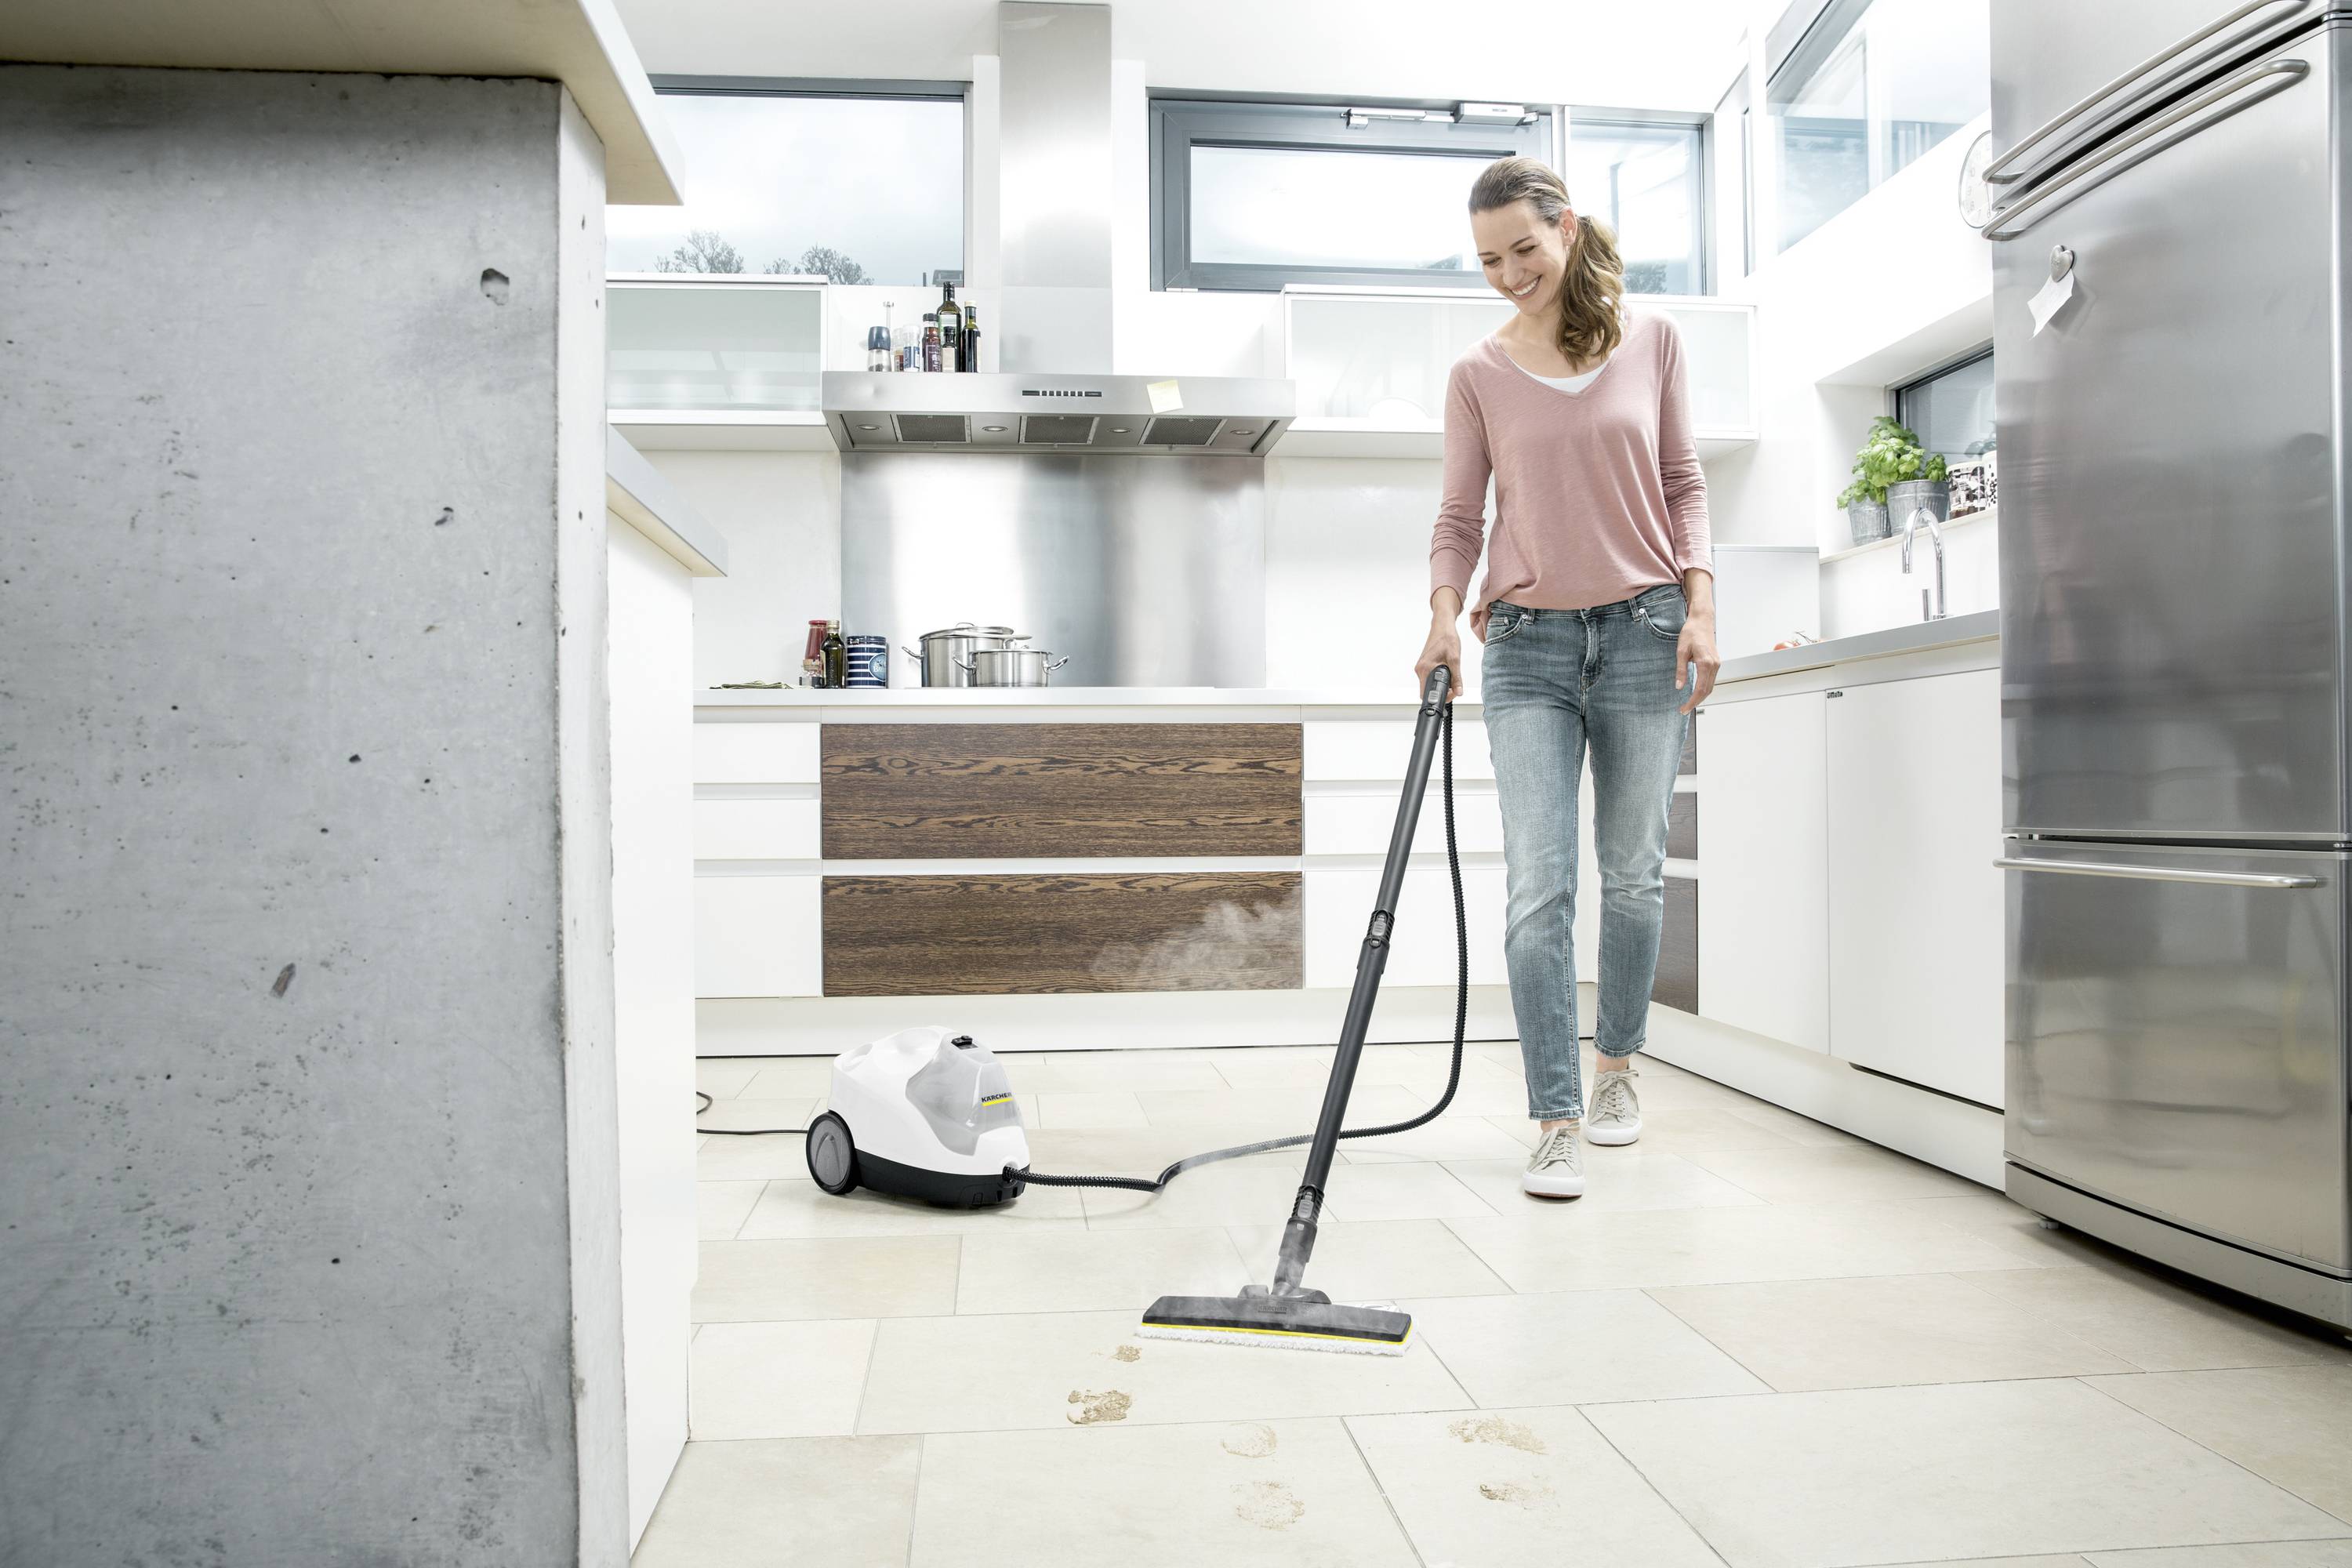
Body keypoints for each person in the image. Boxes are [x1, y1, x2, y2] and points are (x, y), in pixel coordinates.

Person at [1416, 156, 1719, 1200]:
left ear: (1570, 230)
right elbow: (1460, 520)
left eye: (1524, 251)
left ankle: (1617, 1071)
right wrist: (1443, 619)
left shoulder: (1655, 341)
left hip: (1645, 630)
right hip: (1531, 650)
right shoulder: (1479, 374)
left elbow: (1684, 483)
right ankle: (1553, 1116)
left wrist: (1703, 607)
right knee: (1539, 886)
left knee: (1632, 876)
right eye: (1489, 260)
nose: (1507, 275)